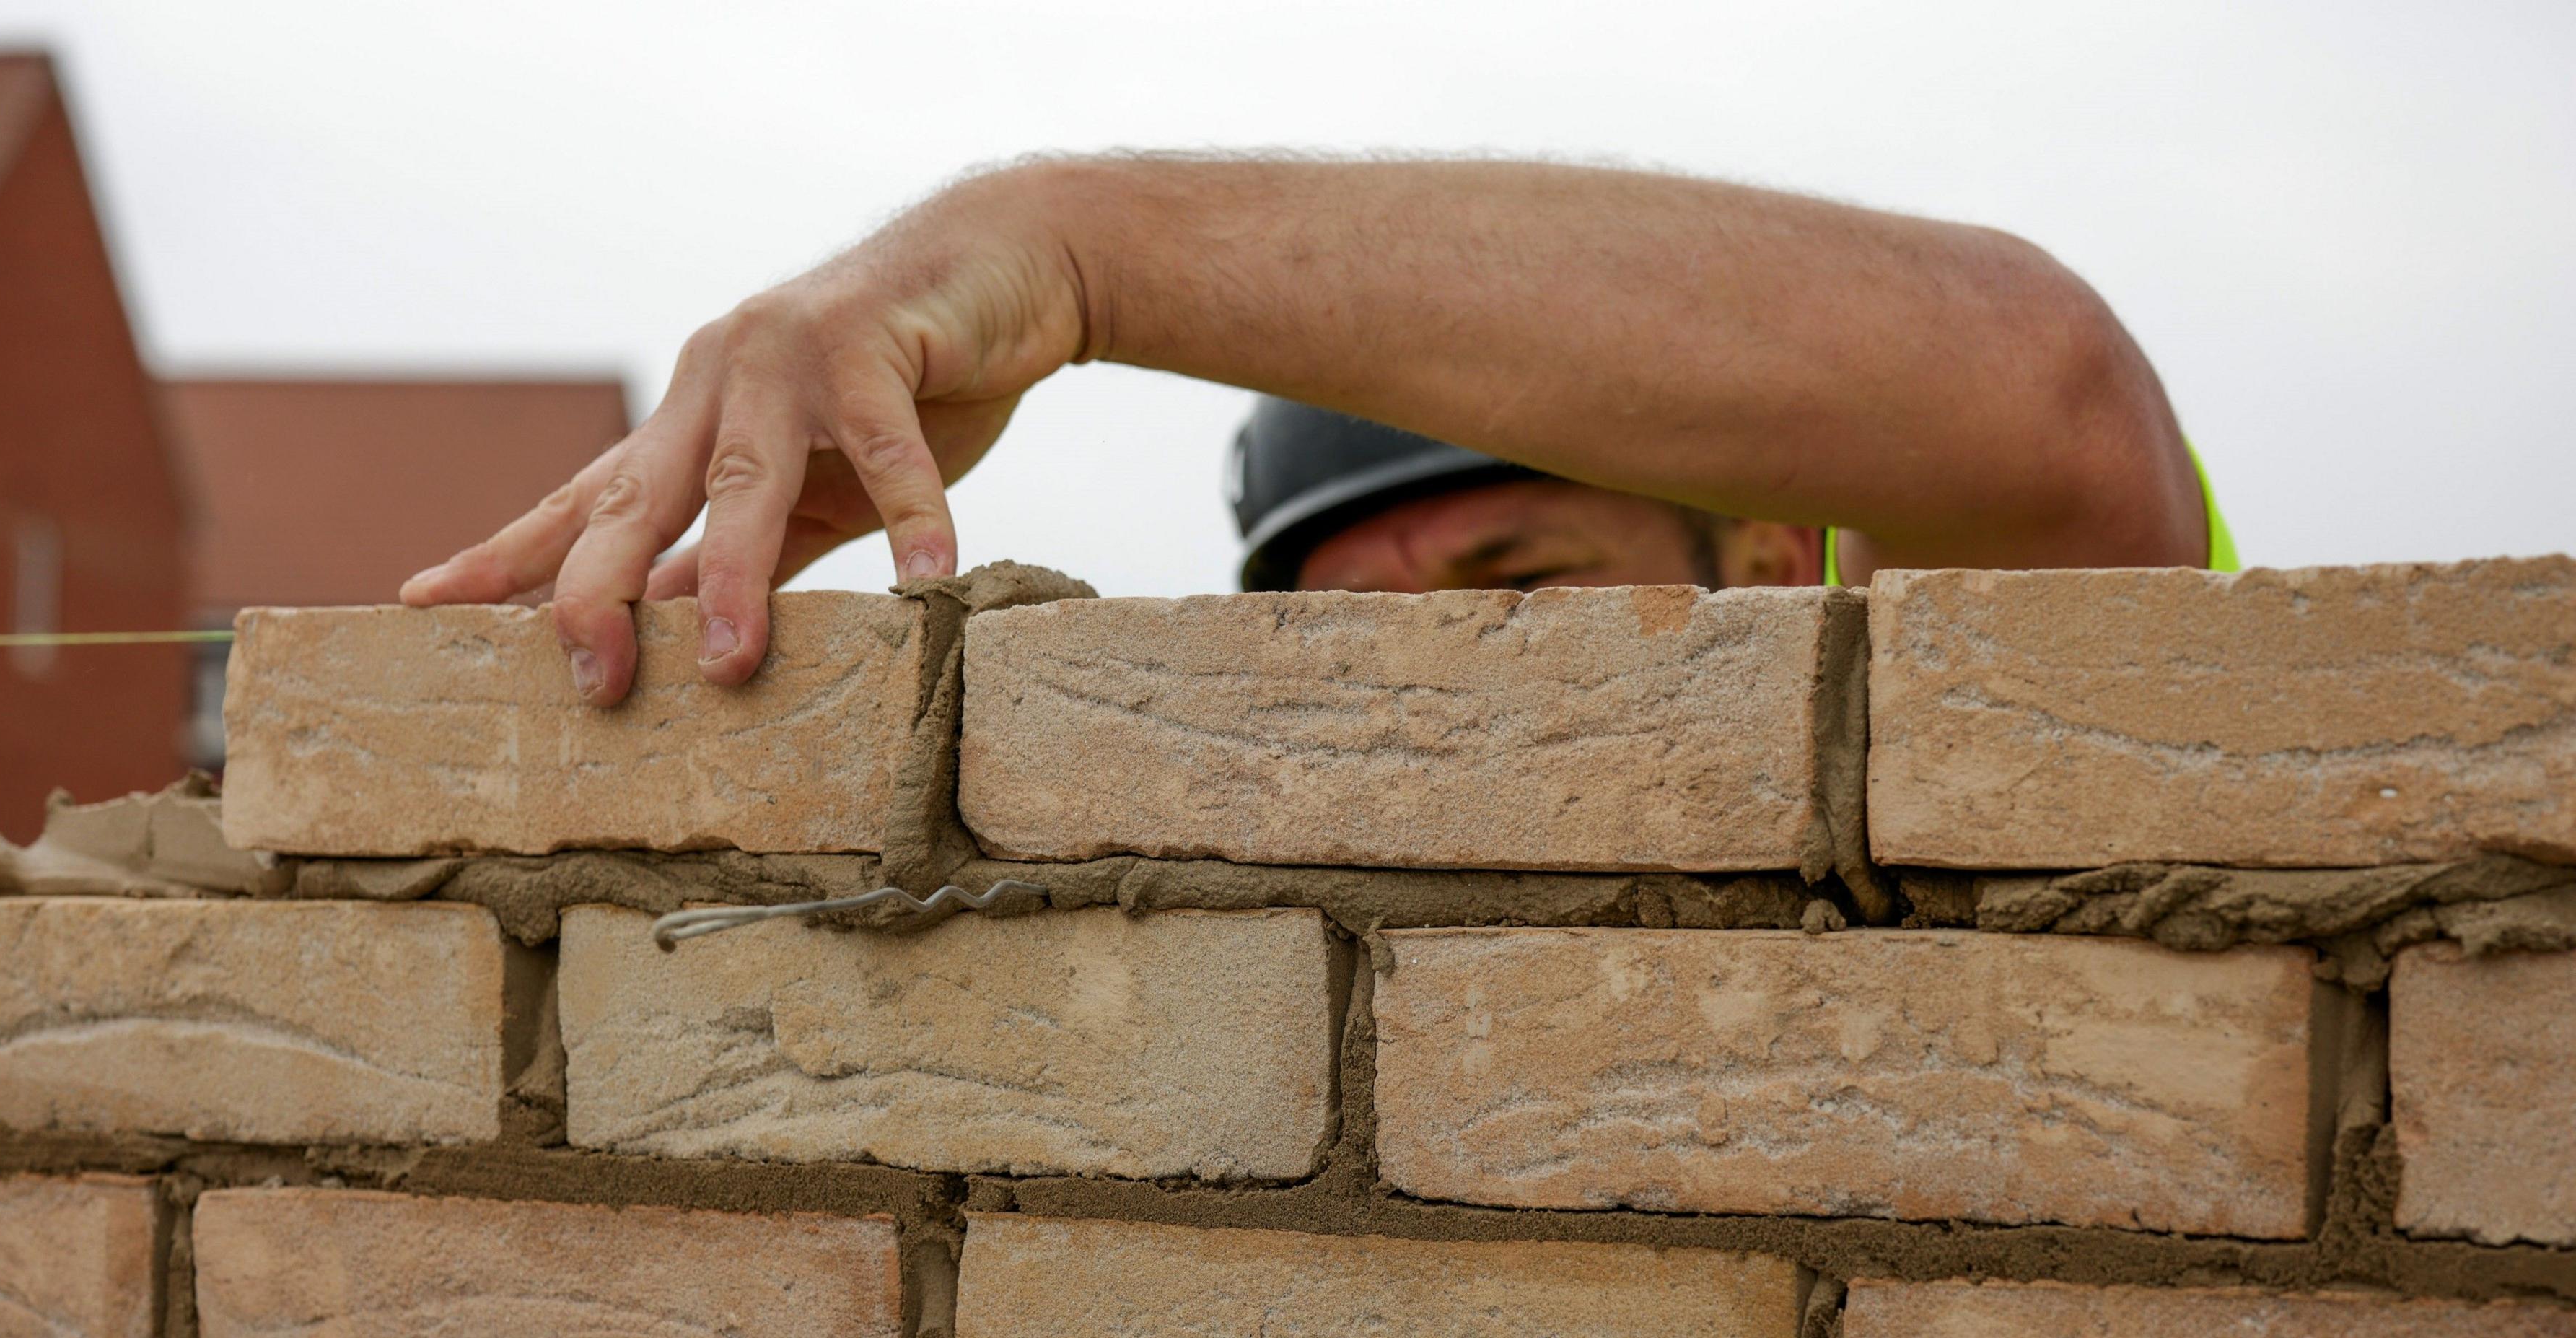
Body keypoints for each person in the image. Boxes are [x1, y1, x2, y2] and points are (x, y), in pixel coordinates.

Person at [402, 156, 2230, 707]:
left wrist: (1074, 255)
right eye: (1356, 626)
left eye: (1524, 578)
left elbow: (2047, 399)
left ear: (1771, 555)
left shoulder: (1966, 785)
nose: (1444, 674)